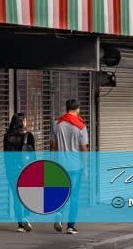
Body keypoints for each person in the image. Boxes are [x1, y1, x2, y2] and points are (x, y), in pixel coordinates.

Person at [50, 99, 89, 235]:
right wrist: (86, 167)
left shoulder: (56, 124)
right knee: (74, 196)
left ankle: (58, 214)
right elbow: (84, 148)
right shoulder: (81, 126)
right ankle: (71, 227)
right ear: (77, 109)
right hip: (75, 166)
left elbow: (52, 146)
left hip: (60, 165)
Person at [3, 113, 35, 232]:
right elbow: (33, 156)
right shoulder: (29, 136)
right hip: (26, 170)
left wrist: (7, 170)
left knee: (16, 197)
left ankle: (20, 225)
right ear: (22, 122)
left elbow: (5, 156)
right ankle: (26, 217)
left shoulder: (7, 136)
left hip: (11, 170)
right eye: (25, 120)